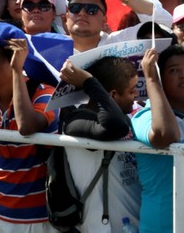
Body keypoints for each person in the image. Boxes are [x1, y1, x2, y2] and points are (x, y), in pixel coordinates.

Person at [132, 45, 184, 233]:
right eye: (174, 71)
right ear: (160, 77)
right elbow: (166, 135)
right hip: (164, 227)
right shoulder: (144, 116)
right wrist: (151, 80)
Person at [58, 54, 141, 233]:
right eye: (132, 90)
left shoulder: (122, 116)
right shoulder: (76, 121)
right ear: (112, 95)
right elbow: (114, 127)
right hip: (102, 226)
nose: (137, 94)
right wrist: (89, 82)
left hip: (131, 223)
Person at [0, 24, 57, 227]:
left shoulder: (44, 92)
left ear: (15, 60)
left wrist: (16, 71)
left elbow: (27, 126)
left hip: (38, 220)